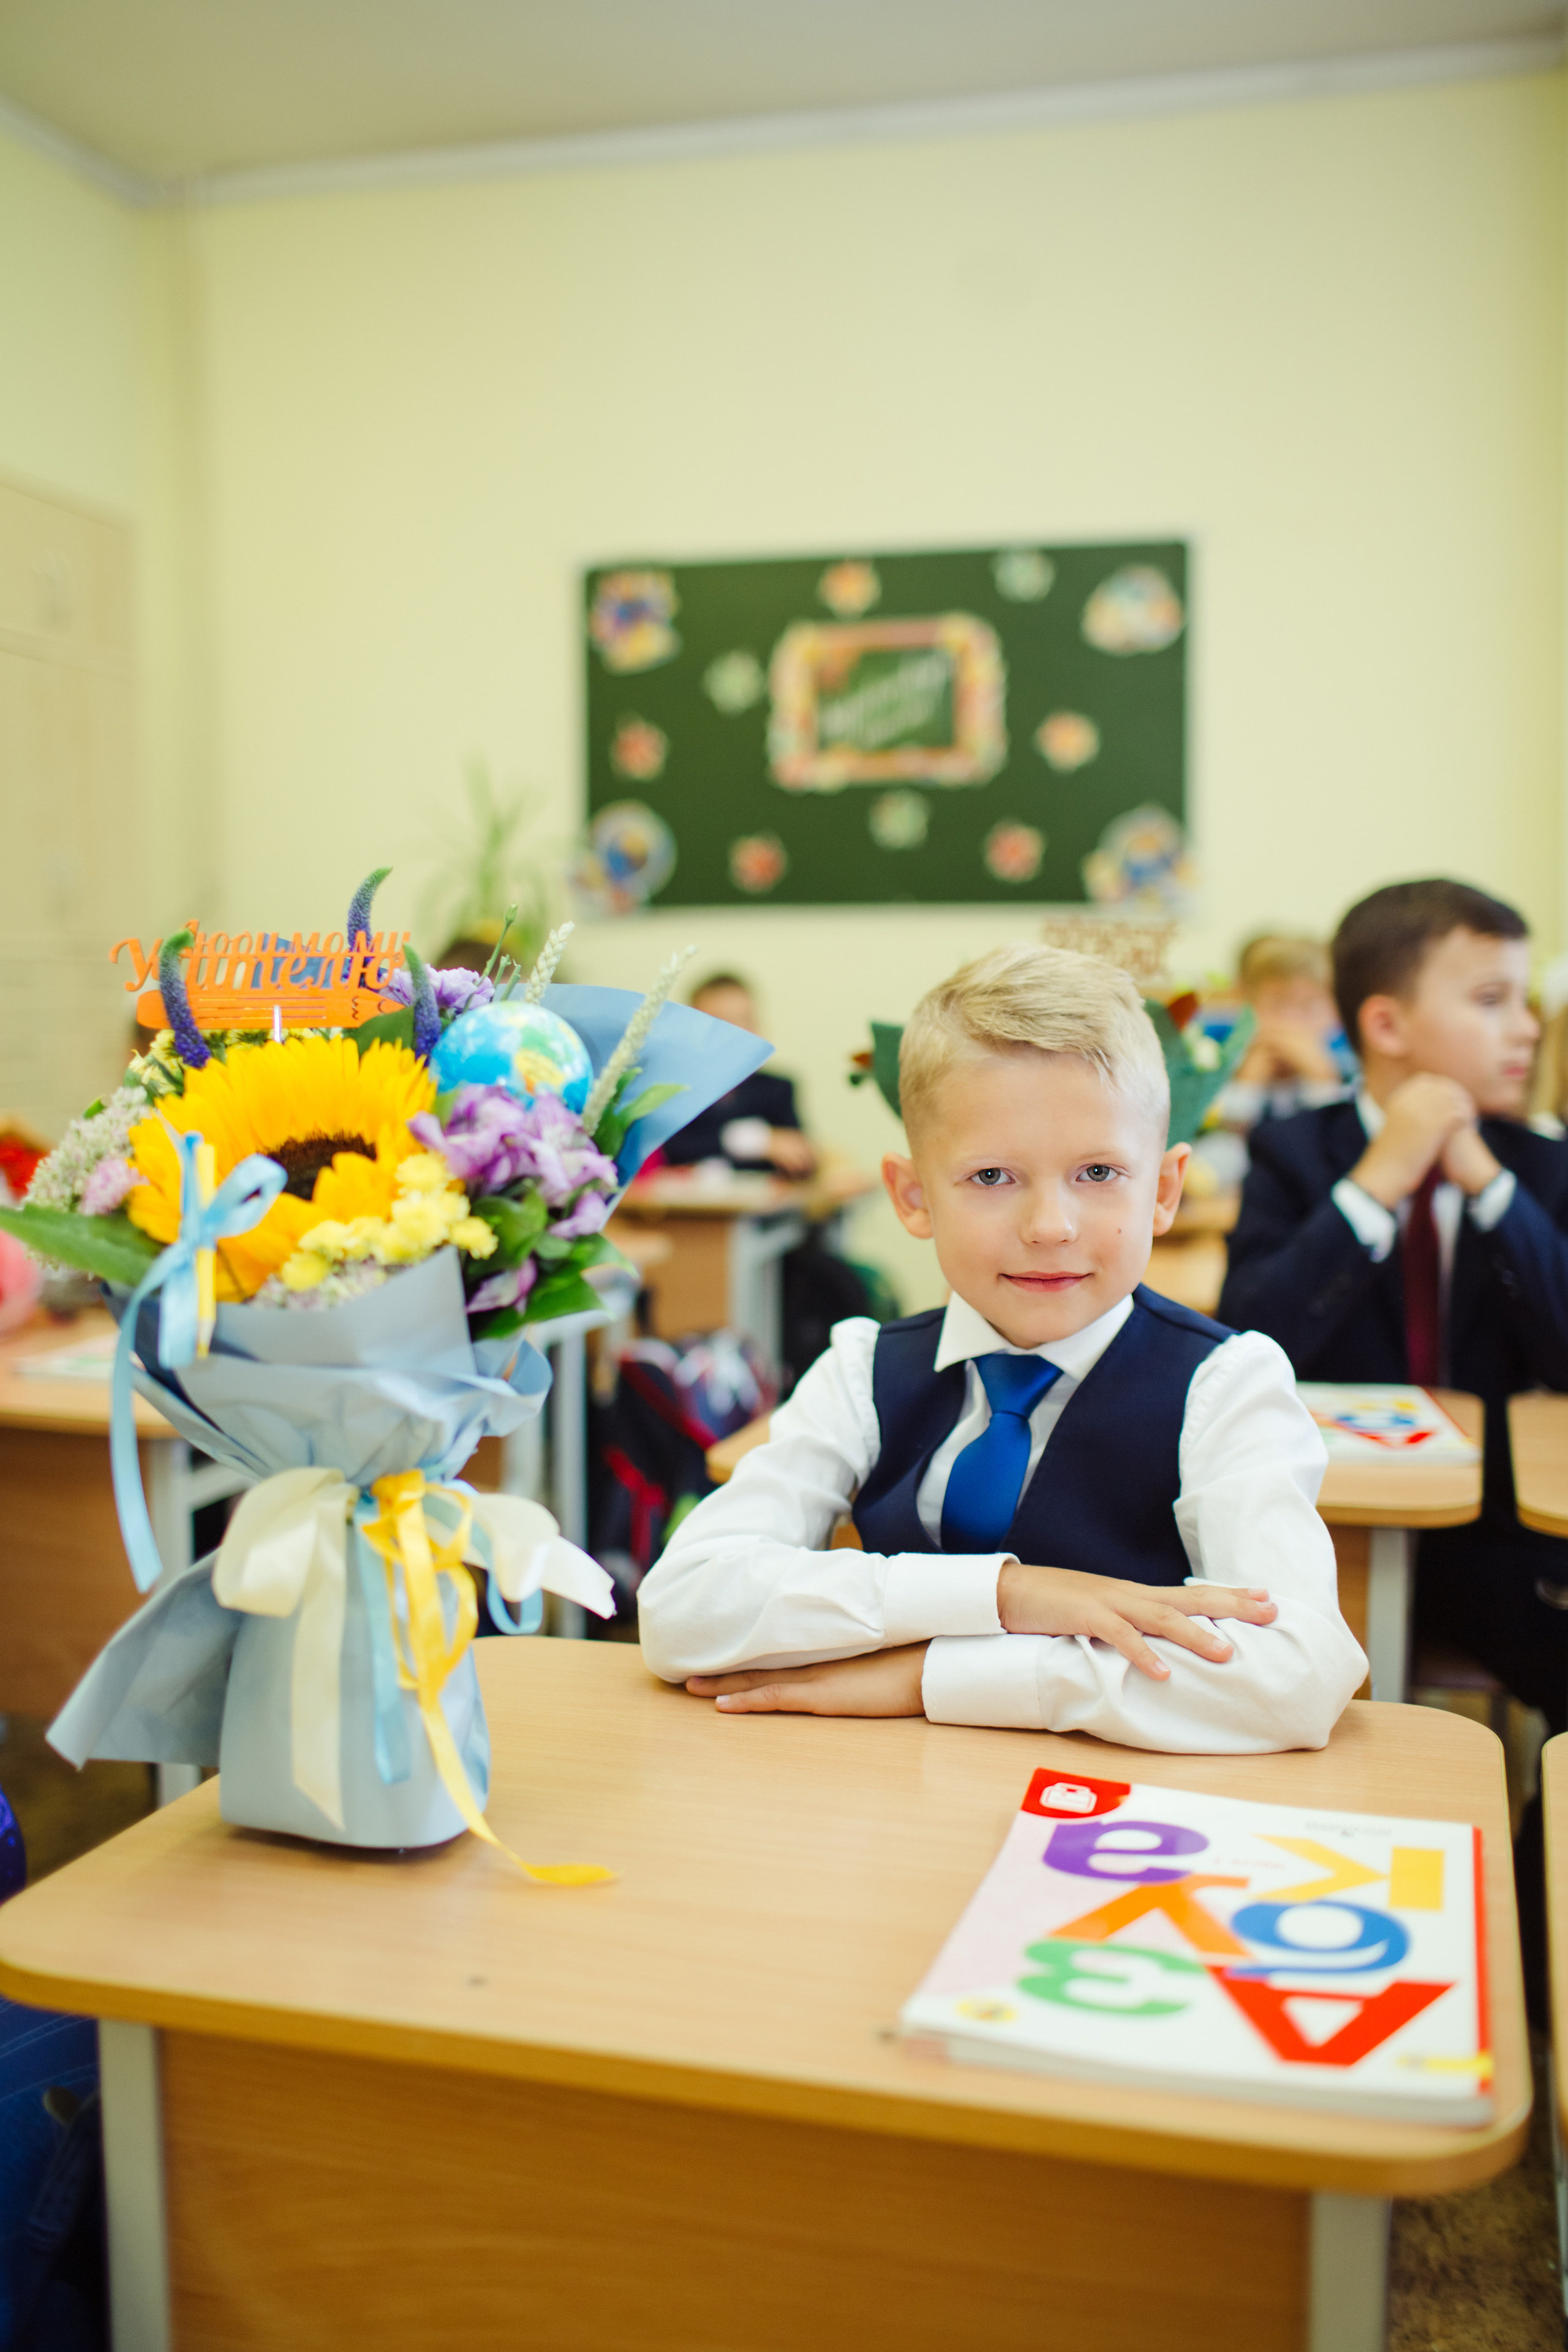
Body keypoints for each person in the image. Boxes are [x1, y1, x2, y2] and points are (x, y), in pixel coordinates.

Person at [639, 943, 1366, 1746]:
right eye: (992, 1177)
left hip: (1112, 1826)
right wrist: (1011, 1597)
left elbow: (1296, 1681)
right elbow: (682, 1608)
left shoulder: (1228, 1387)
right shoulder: (861, 1370)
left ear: (1163, 1189)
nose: (1049, 1226)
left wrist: (925, 1678)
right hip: (877, 1816)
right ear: (913, 1197)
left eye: (1097, 1173)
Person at [1218, 877, 1568, 1728]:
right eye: (1491, 1000)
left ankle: (1534, 1837)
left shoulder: (1538, 1163)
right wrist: (1380, 1180)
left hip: (1494, 1530)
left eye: (1523, 1001)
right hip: (1330, 1522)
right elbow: (1248, 1336)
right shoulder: (1295, 1150)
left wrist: (1486, 1182)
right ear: (1386, 1026)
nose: (1526, 1027)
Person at [660, 973, 815, 1175]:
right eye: (720, 1024)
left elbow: (800, 1156)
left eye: (745, 1021)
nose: (738, 1034)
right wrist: (754, 1141)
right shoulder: (669, 1090)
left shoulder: (777, 1090)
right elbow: (670, 1150)